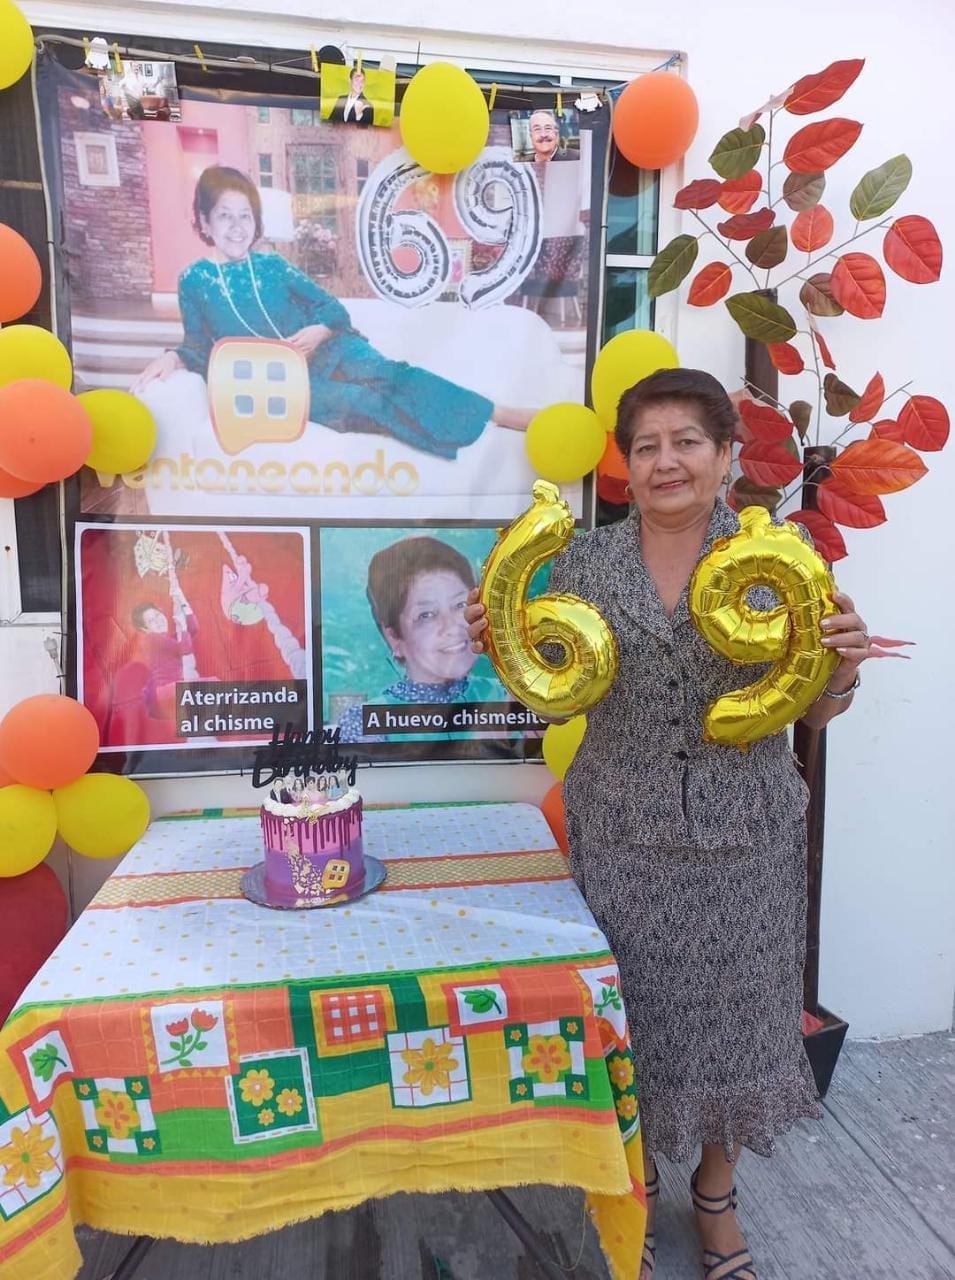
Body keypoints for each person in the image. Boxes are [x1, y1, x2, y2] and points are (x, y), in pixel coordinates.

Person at [464, 368, 873, 1280]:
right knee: (633, 1025)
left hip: (747, 835)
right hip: (621, 833)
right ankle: (636, 1192)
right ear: (625, 467)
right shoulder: (578, 566)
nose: (665, 461)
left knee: (738, 1025)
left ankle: (716, 1198)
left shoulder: (781, 562)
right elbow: (550, 695)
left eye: (687, 440)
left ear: (726, 456)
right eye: (645, 445)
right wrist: (501, 639)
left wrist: (839, 669)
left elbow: (815, 713)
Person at [130, 167, 532, 458]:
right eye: (224, 216)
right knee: (363, 401)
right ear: (204, 220)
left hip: (335, 348)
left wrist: (319, 331)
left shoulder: (273, 265)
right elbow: (201, 347)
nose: (237, 227)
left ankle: (499, 413)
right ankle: (464, 431)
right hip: (285, 386)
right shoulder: (194, 280)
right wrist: (175, 355)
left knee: (394, 376)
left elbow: (333, 310)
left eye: (245, 216)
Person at [337, 537, 504, 744]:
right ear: (394, 637)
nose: (452, 627)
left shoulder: (510, 698)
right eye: (426, 615)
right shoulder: (365, 724)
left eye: (460, 604)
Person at [130, 600, 199, 719]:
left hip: (173, 690)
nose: (157, 621)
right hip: (167, 691)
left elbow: (193, 628)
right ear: (145, 629)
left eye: (157, 615)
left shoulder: (167, 639)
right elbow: (185, 648)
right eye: (151, 621)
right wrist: (182, 625)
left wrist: (183, 603)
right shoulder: (153, 639)